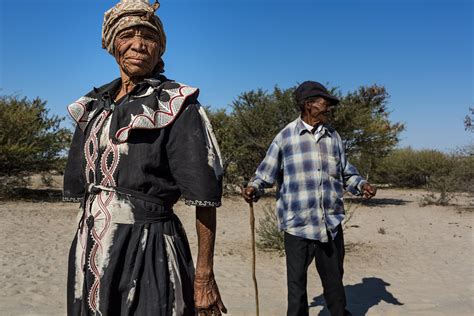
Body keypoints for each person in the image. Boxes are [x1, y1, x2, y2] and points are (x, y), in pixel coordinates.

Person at [62, 1, 226, 315]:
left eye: (148, 36)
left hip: (149, 247)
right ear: (112, 45)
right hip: (90, 247)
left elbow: (204, 199)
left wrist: (204, 276)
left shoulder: (178, 105)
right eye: (128, 35)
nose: (138, 44)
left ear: (159, 48)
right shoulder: (94, 106)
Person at [242, 81, 377, 316]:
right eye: (325, 104)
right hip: (298, 226)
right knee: (296, 287)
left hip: (330, 224)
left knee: (335, 285)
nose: (329, 109)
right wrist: (254, 188)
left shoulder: (334, 137)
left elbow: (347, 173)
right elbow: (265, 174)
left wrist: (361, 184)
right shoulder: (285, 137)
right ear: (309, 105)